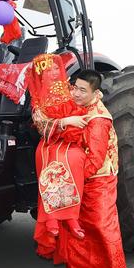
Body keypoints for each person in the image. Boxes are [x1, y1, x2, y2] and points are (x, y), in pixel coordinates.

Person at [55, 69, 130, 268]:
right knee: (77, 228)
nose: (75, 93)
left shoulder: (98, 119)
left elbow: (95, 160)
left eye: (82, 90)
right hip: (81, 180)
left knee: (104, 230)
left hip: (99, 182)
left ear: (96, 93)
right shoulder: (80, 109)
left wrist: (69, 179)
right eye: (74, 87)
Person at [28, 54, 88, 246]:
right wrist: (65, 121)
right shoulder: (38, 99)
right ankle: (51, 217)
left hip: (70, 141)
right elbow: (40, 124)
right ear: (41, 75)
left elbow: (84, 100)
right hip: (50, 141)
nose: (53, 73)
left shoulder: (69, 90)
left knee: (75, 160)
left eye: (56, 68)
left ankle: (71, 216)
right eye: (48, 70)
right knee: (49, 164)